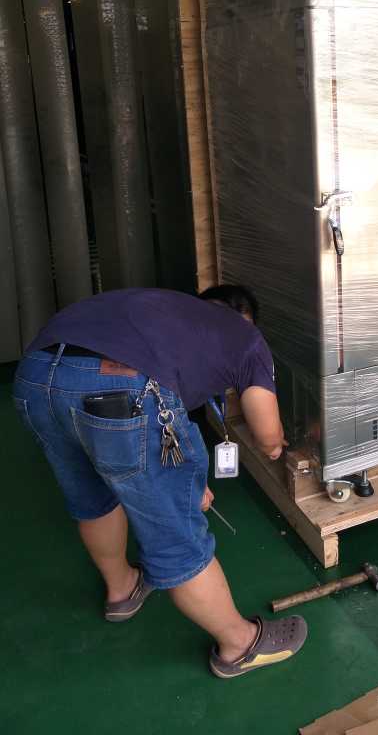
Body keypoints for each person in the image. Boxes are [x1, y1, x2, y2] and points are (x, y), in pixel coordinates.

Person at [11, 285, 307, 679]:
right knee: (175, 531)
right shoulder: (246, 337)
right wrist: (276, 447)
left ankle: (122, 590)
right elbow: (267, 435)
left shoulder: (160, 309)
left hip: (34, 377)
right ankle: (239, 644)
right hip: (120, 388)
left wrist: (183, 477)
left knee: (92, 497)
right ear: (246, 319)